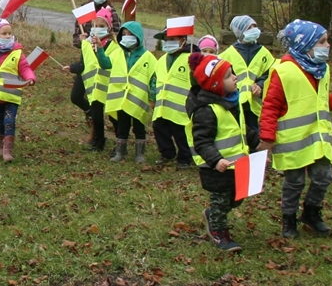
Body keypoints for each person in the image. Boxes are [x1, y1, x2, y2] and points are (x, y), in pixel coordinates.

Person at [258, 19, 332, 238]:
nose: (328, 45)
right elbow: (270, 107)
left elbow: (318, 99)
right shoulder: (283, 72)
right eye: (322, 42)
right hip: (293, 142)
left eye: (327, 41)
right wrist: (266, 139)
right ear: (306, 45)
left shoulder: (322, 69)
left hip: (318, 140)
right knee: (294, 182)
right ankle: (289, 219)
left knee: (323, 177)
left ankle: (311, 214)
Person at [186, 53, 259, 252]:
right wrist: (216, 160)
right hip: (218, 168)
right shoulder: (207, 111)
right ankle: (219, 231)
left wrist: (258, 141)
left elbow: (241, 129)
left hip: (238, 163)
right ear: (216, 84)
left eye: (233, 73)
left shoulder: (233, 102)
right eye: (228, 76)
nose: (235, 77)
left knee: (237, 198)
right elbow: (202, 141)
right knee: (221, 199)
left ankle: (213, 215)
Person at [70, 0, 121, 138]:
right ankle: (90, 113)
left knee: (108, 102)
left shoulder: (111, 11)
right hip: (88, 61)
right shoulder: (84, 11)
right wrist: (82, 40)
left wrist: (106, 39)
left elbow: (119, 35)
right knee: (76, 96)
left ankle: (118, 133)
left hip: (107, 60)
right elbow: (75, 37)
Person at [0, 17, 37, 162]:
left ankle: (8, 151)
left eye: (9, 33)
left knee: (9, 121)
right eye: (4, 33)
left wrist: (30, 78)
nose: (8, 36)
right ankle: (0, 147)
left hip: (12, 95)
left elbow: (25, 68)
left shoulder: (17, 52)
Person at [64, 9, 116, 151]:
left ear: (108, 28)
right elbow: (84, 63)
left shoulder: (113, 45)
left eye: (101, 26)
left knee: (114, 116)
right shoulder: (87, 44)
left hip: (108, 85)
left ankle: (120, 142)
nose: (97, 29)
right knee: (97, 115)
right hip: (93, 86)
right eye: (94, 26)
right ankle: (99, 141)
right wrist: (72, 67)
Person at [105, 21, 157, 163]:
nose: (127, 37)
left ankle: (140, 154)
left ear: (138, 36)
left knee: (139, 128)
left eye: (131, 35)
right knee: (122, 126)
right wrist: (98, 49)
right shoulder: (118, 53)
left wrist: (153, 97)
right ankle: (120, 152)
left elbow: (154, 77)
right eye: (124, 34)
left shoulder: (148, 57)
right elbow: (105, 63)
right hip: (122, 99)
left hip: (139, 100)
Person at [151, 17, 200, 168]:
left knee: (181, 133)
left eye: (172, 39)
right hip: (162, 106)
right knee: (159, 128)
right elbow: (154, 79)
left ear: (183, 40)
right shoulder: (162, 59)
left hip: (181, 108)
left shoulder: (190, 59)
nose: (168, 42)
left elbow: (197, 81)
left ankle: (185, 158)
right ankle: (167, 153)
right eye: (166, 39)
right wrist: (153, 95)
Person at [220, 15, 275, 132]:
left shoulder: (264, 53)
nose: (254, 30)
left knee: (255, 135)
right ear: (240, 32)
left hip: (256, 106)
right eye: (249, 27)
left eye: (254, 26)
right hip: (235, 103)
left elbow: (270, 74)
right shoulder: (227, 55)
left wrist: (260, 85)